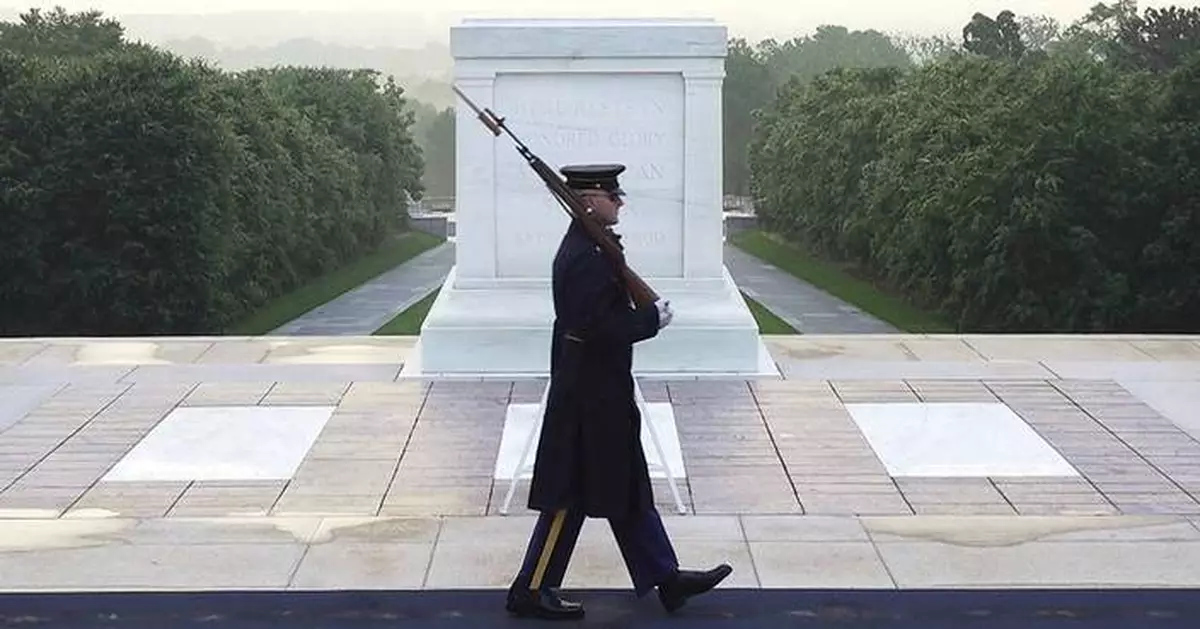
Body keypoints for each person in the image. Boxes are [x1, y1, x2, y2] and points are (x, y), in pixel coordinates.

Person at [505, 163, 732, 621]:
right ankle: (530, 588)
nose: (620, 202)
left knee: (625, 485)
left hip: (602, 389)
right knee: (568, 495)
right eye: (612, 196)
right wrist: (649, 320)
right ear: (588, 201)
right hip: (587, 397)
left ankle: (666, 579)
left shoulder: (594, 247)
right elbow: (594, 327)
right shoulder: (585, 257)